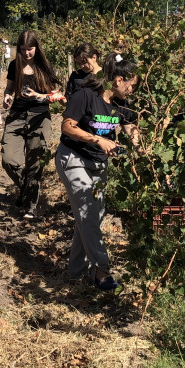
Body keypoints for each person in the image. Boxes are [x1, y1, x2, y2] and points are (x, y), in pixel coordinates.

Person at [56, 55, 138, 290]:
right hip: (73, 159)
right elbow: (67, 126)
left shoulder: (122, 104)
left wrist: (141, 148)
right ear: (118, 80)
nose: (133, 90)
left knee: (93, 216)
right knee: (89, 213)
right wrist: (98, 140)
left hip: (99, 164)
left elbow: (131, 128)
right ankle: (102, 272)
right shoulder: (85, 95)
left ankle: (75, 271)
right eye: (131, 85)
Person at [1, 30, 63, 219]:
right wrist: (7, 96)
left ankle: (31, 204)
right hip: (17, 116)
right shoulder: (14, 66)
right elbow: (9, 88)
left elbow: (56, 95)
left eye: (30, 49)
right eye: (23, 49)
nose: (27, 53)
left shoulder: (44, 67)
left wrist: (38, 96)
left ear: (36, 48)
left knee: (35, 162)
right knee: (8, 159)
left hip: (39, 116)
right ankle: (27, 189)